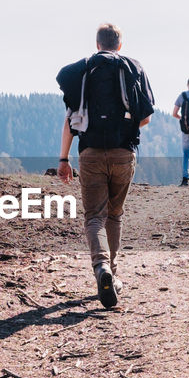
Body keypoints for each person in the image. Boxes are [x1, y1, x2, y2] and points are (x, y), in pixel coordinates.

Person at [56, 24, 154, 308]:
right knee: (115, 214)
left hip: (90, 154)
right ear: (119, 46)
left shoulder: (84, 72)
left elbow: (71, 120)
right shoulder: (132, 68)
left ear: (97, 44)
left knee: (94, 217)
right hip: (124, 153)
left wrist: (63, 159)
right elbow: (145, 117)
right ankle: (112, 270)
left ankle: (102, 269)